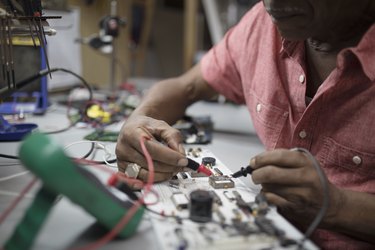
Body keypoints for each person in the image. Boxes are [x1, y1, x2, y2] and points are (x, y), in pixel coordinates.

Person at [116, 0, 375, 249]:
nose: (271, 2)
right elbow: (186, 87)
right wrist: (140, 119)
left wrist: (339, 207)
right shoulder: (263, 27)